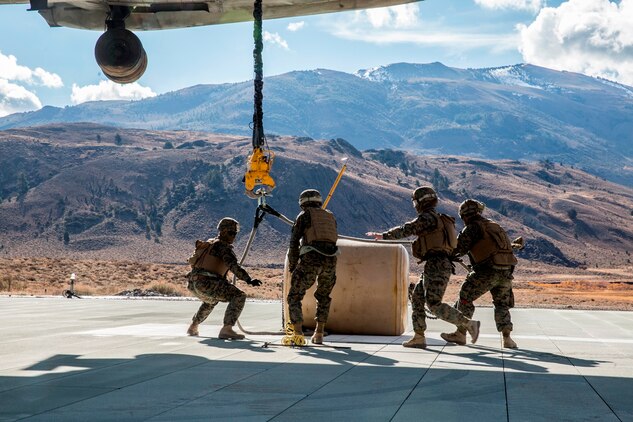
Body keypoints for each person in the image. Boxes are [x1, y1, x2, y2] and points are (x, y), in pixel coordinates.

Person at [368, 187, 480, 349]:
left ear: (420, 202)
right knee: (418, 299)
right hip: (436, 264)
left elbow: (407, 229)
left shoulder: (428, 218)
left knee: (433, 303)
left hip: (437, 264)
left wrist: (384, 236)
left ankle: (468, 324)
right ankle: (419, 336)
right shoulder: (439, 218)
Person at [441, 199, 519, 349]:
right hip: (506, 272)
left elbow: (458, 248)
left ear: (465, 215)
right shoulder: (494, 226)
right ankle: (507, 338)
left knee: (465, 297)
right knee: (501, 304)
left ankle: (461, 332)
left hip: (487, 271)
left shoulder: (473, 228)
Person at [186, 217, 262, 339]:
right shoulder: (223, 247)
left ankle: (193, 326)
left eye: (235, 234)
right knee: (239, 296)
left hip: (193, 284)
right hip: (207, 282)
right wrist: (248, 280)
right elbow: (233, 266)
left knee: (210, 300)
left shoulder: (209, 244)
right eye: (231, 233)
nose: (234, 237)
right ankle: (227, 329)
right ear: (223, 232)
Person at [286, 189, 339, 345]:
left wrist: (293, 265)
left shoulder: (304, 216)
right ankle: (319, 333)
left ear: (303, 203)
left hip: (311, 259)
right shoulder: (330, 216)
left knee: (294, 296)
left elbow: (294, 242)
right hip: (331, 260)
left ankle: (298, 334)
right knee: (323, 296)